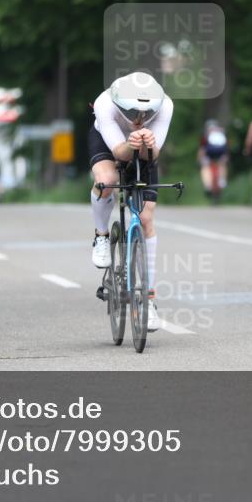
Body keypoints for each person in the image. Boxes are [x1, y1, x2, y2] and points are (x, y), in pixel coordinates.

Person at [89, 71, 173, 333]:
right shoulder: (105, 103)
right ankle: (101, 235)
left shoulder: (166, 105)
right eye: (134, 112)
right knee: (107, 179)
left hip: (142, 147)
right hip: (109, 141)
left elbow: (154, 153)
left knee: (146, 218)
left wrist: (147, 144)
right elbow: (119, 152)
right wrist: (132, 141)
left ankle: (148, 300)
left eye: (146, 114)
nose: (139, 118)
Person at [197, 119, 229, 201]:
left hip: (209, 153)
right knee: (222, 164)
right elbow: (225, 147)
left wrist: (199, 160)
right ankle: (222, 180)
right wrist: (226, 157)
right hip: (221, 153)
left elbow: (202, 149)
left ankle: (208, 185)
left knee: (205, 167)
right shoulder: (221, 133)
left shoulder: (206, 135)